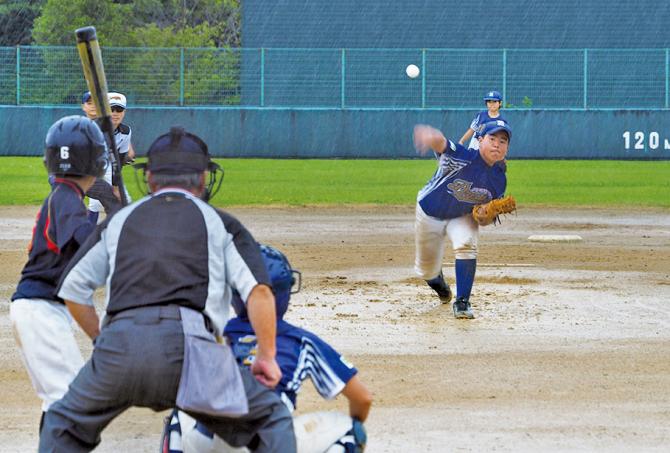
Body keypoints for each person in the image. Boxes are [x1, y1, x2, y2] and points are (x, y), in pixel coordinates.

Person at [39, 126, 296, 452]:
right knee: (272, 419)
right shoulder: (221, 222)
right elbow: (259, 293)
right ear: (203, 178)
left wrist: (103, 342)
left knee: (61, 423)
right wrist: (267, 356)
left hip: (119, 344)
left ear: (150, 179)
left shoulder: (119, 219)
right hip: (194, 351)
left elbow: (74, 290)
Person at [164, 244, 372, 453]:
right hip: (270, 443)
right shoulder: (301, 341)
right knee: (351, 429)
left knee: (180, 415)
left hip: (209, 441)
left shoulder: (218, 334)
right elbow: (363, 399)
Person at [10, 115, 108, 429]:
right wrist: (121, 220)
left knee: (59, 400)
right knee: (70, 400)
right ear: (96, 163)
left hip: (42, 311)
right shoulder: (66, 198)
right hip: (40, 311)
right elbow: (88, 248)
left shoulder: (66, 197)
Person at [413, 119, 512, 319]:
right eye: (492, 138)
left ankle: (462, 302)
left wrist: (485, 216)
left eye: (503, 141)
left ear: (507, 149)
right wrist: (431, 136)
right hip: (430, 212)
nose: (497, 144)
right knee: (426, 270)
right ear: (480, 140)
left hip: (462, 216)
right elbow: (443, 144)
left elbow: (486, 218)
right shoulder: (462, 156)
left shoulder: (499, 179)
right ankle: (439, 284)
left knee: (467, 244)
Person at [86, 91, 134, 224]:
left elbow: (118, 161)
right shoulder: (93, 128)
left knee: (116, 199)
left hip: (105, 166)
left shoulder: (125, 132)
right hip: (83, 168)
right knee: (123, 200)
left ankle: (93, 234)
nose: (115, 113)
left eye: (119, 109)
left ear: (124, 112)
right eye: (111, 109)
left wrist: (116, 186)